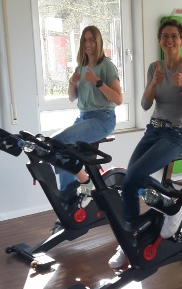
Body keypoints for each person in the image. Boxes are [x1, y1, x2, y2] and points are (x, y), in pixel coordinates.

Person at [108, 19, 182, 269]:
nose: (169, 40)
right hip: (153, 131)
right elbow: (144, 105)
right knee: (130, 182)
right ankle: (129, 240)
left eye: (174, 36)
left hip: (176, 134)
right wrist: (153, 83)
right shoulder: (155, 67)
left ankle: (173, 209)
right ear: (160, 40)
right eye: (165, 36)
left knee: (132, 178)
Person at [50, 25, 122, 234]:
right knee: (55, 146)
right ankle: (68, 205)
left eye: (92, 40)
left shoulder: (106, 66)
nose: (88, 44)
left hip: (103, 119)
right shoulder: (81, 66)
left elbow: (118, 99)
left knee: (59, 142)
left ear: (98, 42)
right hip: (83, 116)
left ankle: (84, 181)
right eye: (85, 40)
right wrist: (72, 83)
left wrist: (98, 82)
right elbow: (73, 98)